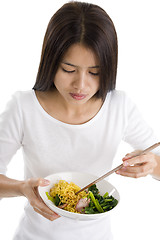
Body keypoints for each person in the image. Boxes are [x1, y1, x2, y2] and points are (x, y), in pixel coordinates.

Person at [0, 1, 160, 240]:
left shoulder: (120, 106)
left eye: (95, 72)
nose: (81, 85)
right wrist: (22, 189)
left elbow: (155, 158)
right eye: (68, 69)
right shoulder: (23, 107)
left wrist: (152, 165)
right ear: (50, 62)